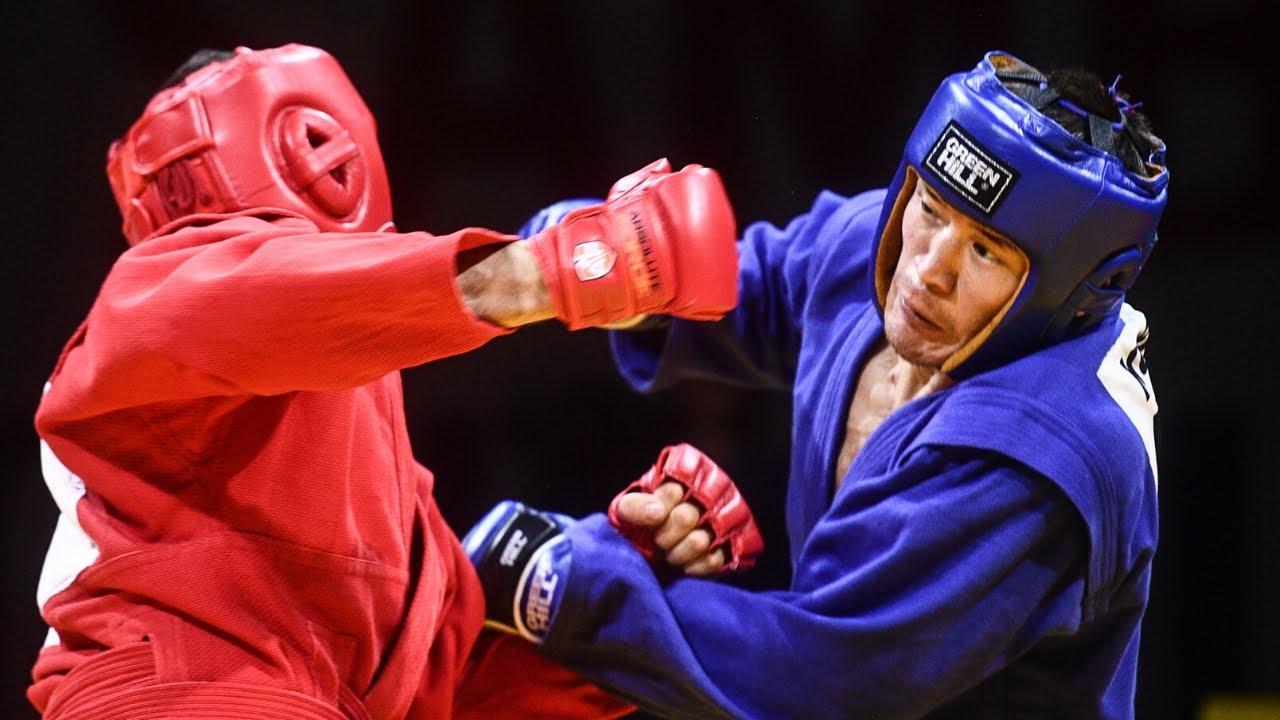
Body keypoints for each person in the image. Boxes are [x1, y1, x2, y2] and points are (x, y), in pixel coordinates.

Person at [28, 42, 756, 720]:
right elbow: (266, 294)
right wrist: (562, 268)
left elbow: (452, 702)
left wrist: (625, 587)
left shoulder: (390, 495)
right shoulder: (154, 301)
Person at [464, 49, 1169, 719]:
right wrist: (606, 263)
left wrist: (564, 580)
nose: (927, 270)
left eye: (985, 251)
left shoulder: (1040, 454)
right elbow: (754, 289)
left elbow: (828, 684)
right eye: (930, 209)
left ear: (1070, 291)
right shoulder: (879, 249)